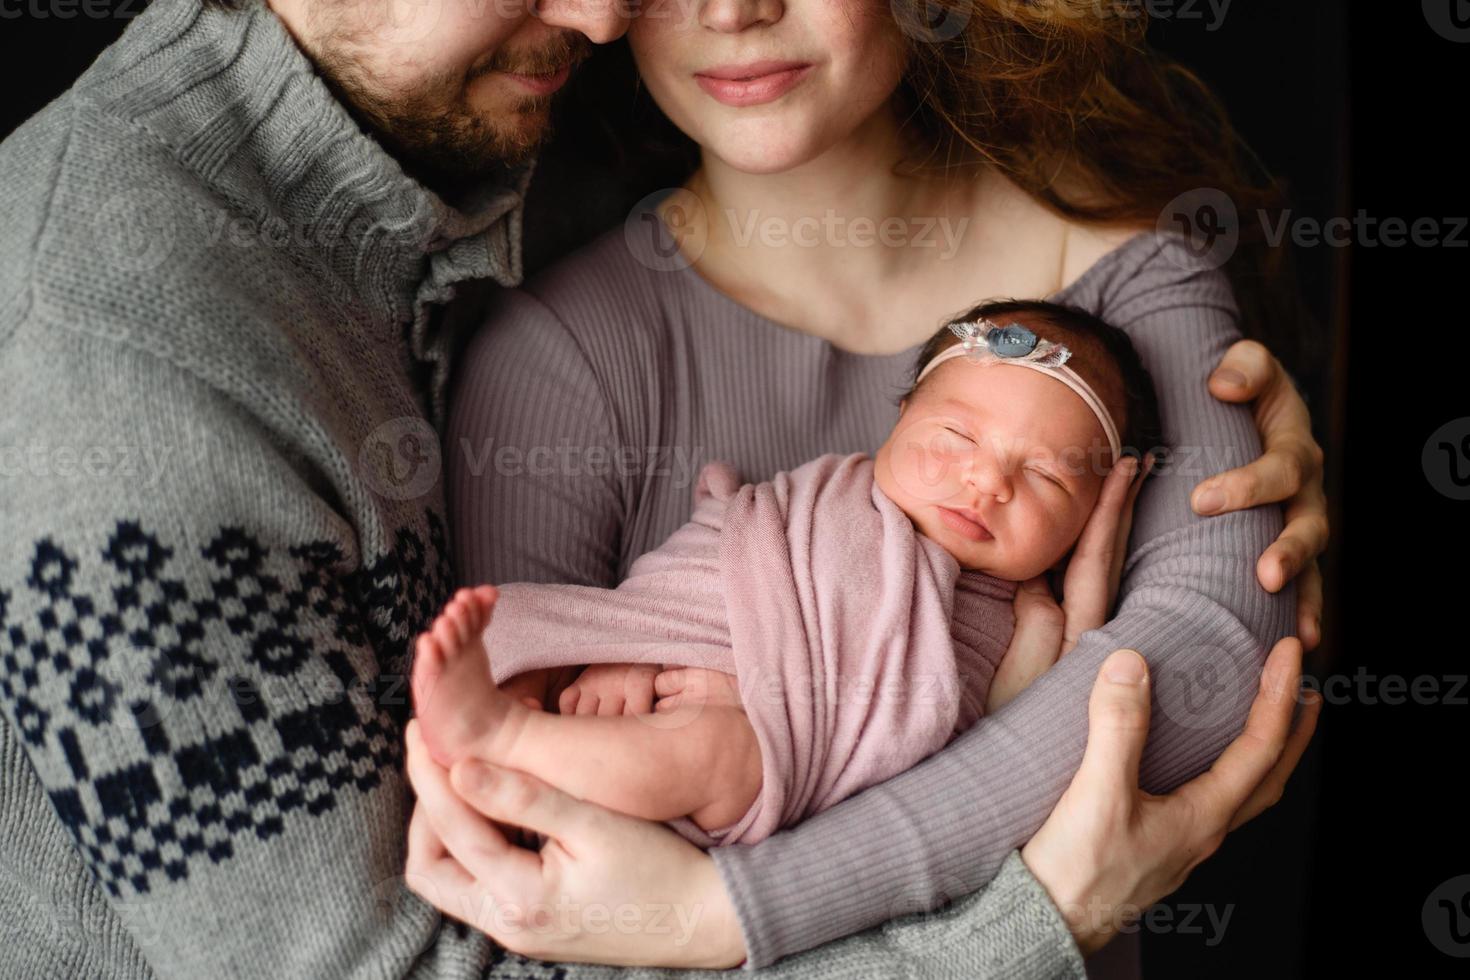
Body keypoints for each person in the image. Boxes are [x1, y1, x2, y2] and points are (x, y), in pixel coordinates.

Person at [414, 0, 1330, 974]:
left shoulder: (1125, 280)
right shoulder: (561, 364)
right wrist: (1041, 872)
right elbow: (544, 887)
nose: (733, 13)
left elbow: (1213, 674)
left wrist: (724, 910)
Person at [410, 300, 1164, 850]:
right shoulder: (821, 492)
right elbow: (714, 557)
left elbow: (960, 765)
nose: (984, 482)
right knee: (525, 627)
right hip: (653, 670)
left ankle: (503, 738)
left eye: (1044, 477)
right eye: (956, 435)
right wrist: (634, 646)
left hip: (768, 756)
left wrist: (1048, 675)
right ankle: (505, 745)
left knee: (715, 751)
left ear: (1092, 517)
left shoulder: (1026, 621)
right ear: (899, 416)